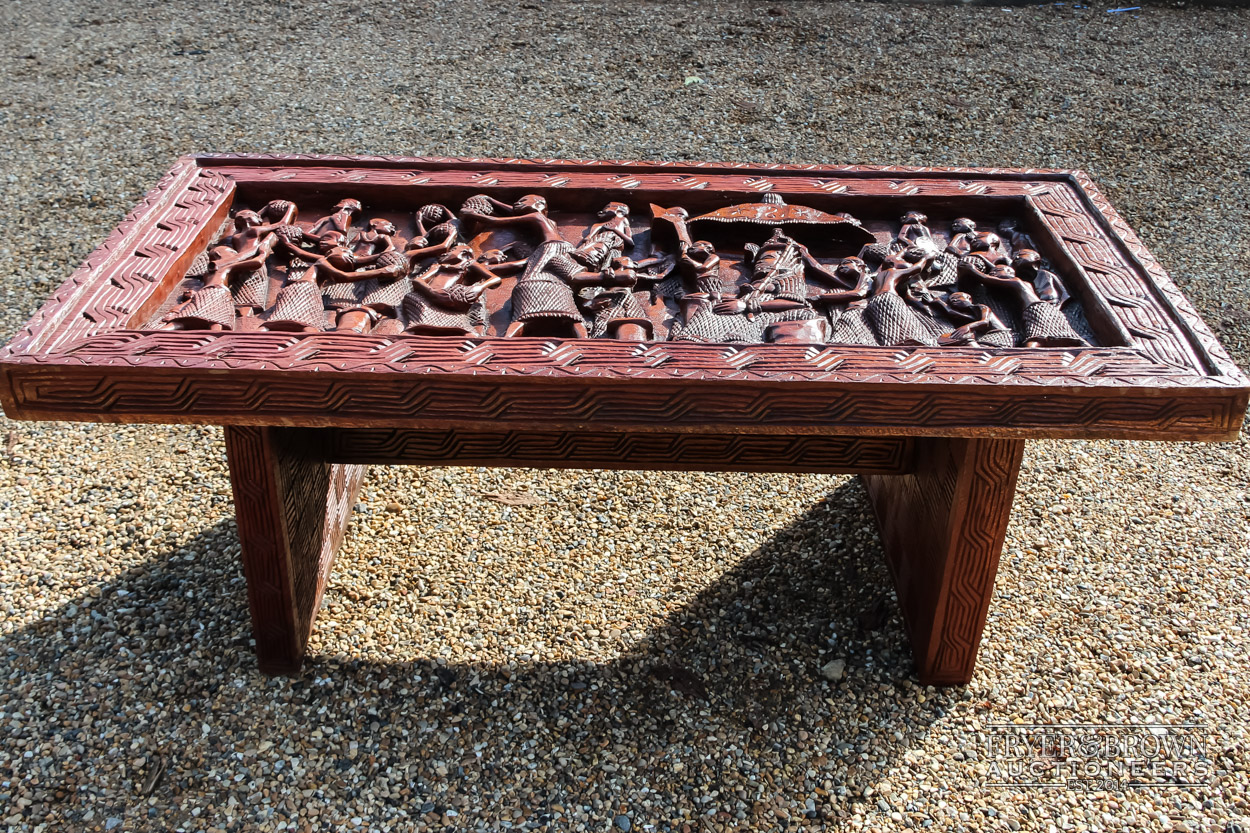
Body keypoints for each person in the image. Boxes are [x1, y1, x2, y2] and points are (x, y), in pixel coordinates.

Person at [957, 259, 1086, 347]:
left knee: (1039, 336)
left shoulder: (1017, 282)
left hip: (1038, 310)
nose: (993, 273)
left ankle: (1030, 355)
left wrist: (972, 269)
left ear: (1010, 272)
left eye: (996, 271)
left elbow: (985, 278)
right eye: (992, 272)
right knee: (1041, 335)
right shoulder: (1016, 284)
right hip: (1031, 311)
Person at [925, 291, 1014, 347]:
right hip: (985, 337)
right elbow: (952, 313)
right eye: (951, 300)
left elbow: (985, 322)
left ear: (969, 298)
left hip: (1001, 335)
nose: (954, 300)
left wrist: (968, 327)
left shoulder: (982, 307)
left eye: (957, 297)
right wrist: (939, 303)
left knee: (967, 339)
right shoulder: (969, 315)